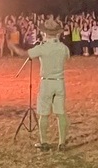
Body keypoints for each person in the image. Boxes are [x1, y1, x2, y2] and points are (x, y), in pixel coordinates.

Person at [14, 19, 71, 151]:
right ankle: (62, 142)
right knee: (61, 113)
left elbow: (24, 54)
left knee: (43, 114)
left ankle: (44, 141)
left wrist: (13, 46)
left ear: (45, 33)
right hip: (59, 82)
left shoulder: (42, 48)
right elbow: (67, 57)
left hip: (46, 82)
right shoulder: (63, 48)